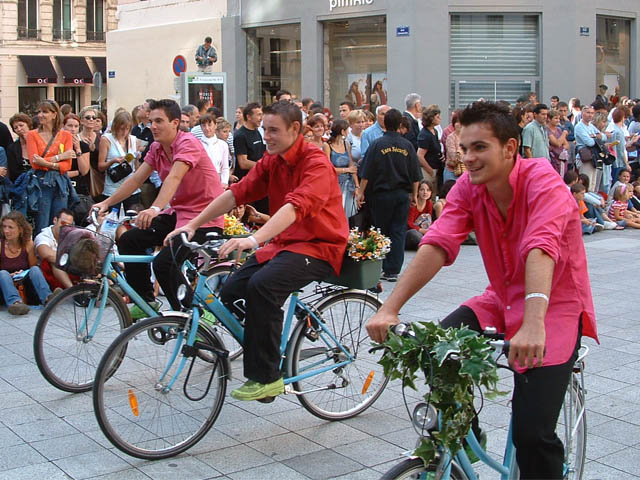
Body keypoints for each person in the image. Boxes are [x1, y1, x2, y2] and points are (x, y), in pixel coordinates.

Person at [366, 101, 597, 480]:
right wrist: (389, 307)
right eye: (464, 147)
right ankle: (464, 434)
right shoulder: (469, 189)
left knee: (532, 434)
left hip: (553, 307)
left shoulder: (543, 181)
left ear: (509, 148)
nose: (467, 158)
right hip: (500, 299)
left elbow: (541, 247)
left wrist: (534, 322)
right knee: (435, 349)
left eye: (479, 148)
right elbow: (438, 243)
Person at [166, 100, 349, 402]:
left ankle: (267, 377)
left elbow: (294, 207)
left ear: (295, 129)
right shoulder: (272, 160)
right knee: (232, 288)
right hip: (285, 243)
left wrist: (253, 240)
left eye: (274, 130)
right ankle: (263, 337)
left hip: (320, 245)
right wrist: (193, 224)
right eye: (265, 129)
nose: (267, 136)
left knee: (263, 287)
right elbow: (237, 192)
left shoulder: (315, 162)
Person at [93, 99, 224, 318]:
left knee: (165, 263)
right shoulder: (156, 148)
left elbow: (174, 176)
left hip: (204, 217)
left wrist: (154, 208)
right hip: (179, 213)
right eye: (151, 121)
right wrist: (106, 203)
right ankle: (146, 301)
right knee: (129, 240)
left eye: (159, 121)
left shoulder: (188, 143)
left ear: (174, 123)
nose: (152, 126)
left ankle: (190, 314)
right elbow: (135, 179)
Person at [357, 109, 421, 282]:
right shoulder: (407, 146)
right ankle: (393, 270)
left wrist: (361, 192)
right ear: (400, 124)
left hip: (380, 195)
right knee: (398, 231)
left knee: (379, 230)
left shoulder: (377, 145)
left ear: (385, 122)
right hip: (401, 195)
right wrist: (414, 195)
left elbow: (367, 172)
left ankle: (379, 265)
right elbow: (415, 174)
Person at [26, 100, 74, 235]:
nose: (40, 115)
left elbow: (67, 165)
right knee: (42, 222)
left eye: (45, 112)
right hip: (41, 183)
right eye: (39, 112)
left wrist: (47, 162)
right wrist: (59, 158)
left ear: (54, 115)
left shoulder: (66, 135)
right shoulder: (32, 135)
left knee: (61, 221)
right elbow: (34, 162)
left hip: (60, 183)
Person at [0, 211, 54, 315]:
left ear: (20, 229)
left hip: (24, 279)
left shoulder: (28, 243)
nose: (6, 231)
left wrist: (22, 272)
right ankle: (16, 303)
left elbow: (32, 266)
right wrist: (10, 275)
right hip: (5, 282)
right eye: (4, 227)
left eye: (10, 227)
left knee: (35, 270)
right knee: (3, 274)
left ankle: (48, 298)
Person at [97, 111, 140, 212]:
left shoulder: (134, 140)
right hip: (113, 187)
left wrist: (137, 158)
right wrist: (113, 161)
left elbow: (136, 168)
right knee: (110, 219)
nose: (124, 132)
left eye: (127, 129)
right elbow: (100, 166)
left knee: (131, 219)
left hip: (131, 187)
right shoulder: (106, 139)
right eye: (122, 129)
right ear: (116, 126)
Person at [322, 120, 359, 218]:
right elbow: (328, 168)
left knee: (349, 214)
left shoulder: (346, 144)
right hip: (335, 184)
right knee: (337, 214)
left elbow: (352, 166)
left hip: (348, 184)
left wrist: (357, 186)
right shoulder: (327, 146)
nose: (349, 132)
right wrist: (346, 170)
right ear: (342, 131)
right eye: (347, 130)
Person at [34, 208, 76, 290]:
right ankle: (71, 290)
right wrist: (69, 260)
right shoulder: (43, 235)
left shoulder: (70, 236)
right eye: (63, 223)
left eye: (69, 225)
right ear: (55, 220)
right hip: (45, 276)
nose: (65, 227)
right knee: (54, 261)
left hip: (66, 271)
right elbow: (45, 254)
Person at [417, 105, 443, 194]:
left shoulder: (434, 131)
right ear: (431, 118)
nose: (440, 118)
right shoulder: (425, 135)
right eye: (437, 117)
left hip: (436, 168)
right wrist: (430, 171)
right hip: (427, 171)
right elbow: (420, 155)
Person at [198, 113, 230, 187]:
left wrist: (224, 182)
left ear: (215, 125)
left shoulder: (223, 145)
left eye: (209, 125)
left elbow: (225, 167)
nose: (207, 128)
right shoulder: (197, 144)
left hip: (218, 181)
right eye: (204, 125)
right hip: (201, 182)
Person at [405, 180, 433, 250]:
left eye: (428, 190)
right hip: (411, 231)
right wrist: (421, 230)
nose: (425, 192)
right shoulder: (413, 204)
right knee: (414, 234)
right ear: (417, 192)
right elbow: (409, 224)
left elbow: (429, 220)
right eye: (422, 190)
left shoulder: (429, 203)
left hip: (424, 231)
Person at [7, 113, 32, 183]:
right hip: (22, 184)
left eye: (21, 125)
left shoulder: (40, 142)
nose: (19, 129)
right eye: (16, 128)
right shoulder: (12, 148)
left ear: (28, 125)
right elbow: (13, 172)